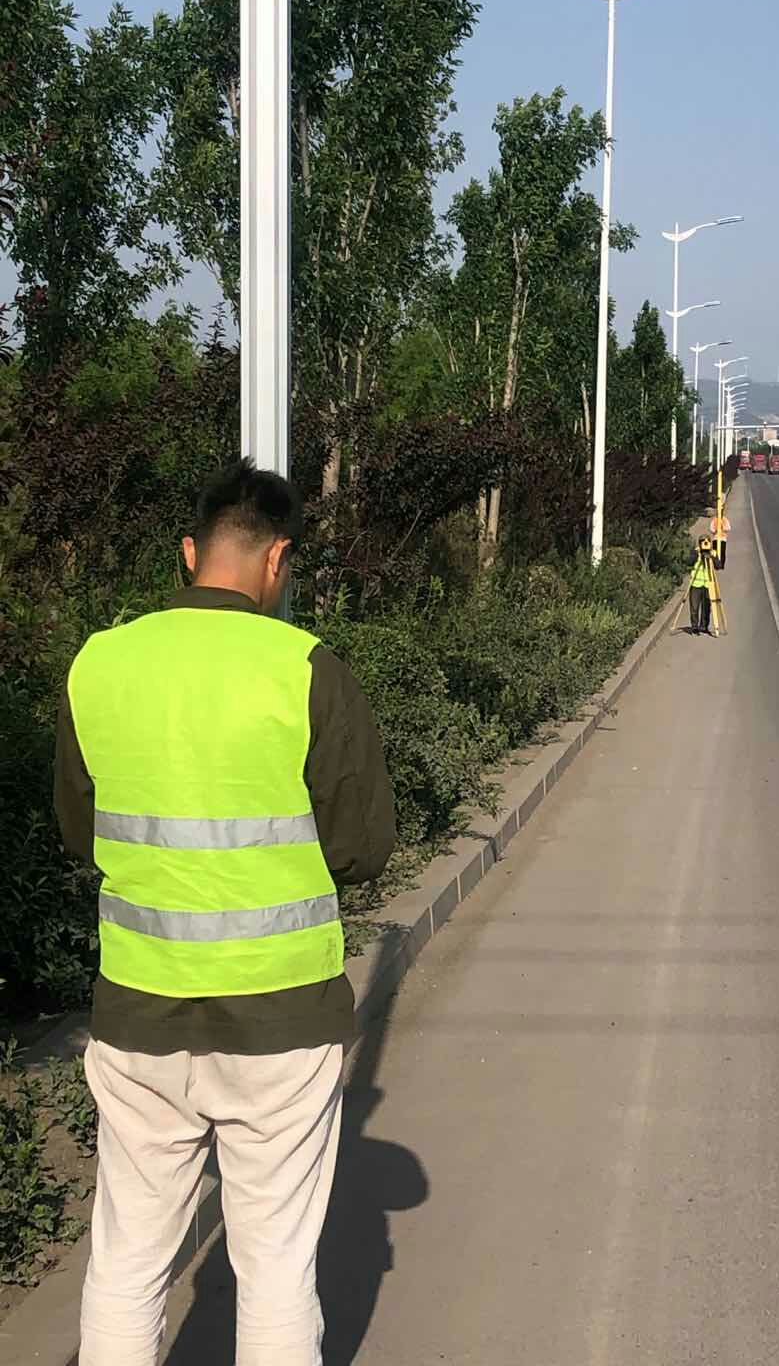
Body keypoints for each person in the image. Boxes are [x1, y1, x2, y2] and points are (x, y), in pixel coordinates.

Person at [54, 459, 397, 1366]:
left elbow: (83, 830)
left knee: (128, 1258)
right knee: (276, 1267)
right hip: (281, 1019)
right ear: (277, 560)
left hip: (137, 1010)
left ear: (187, 551)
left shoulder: (101, 663)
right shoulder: (306, 668)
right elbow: (362, 846)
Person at [687, 535, 721, 635]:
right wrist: (697, 555)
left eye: (707, 542)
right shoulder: (695, 552)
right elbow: (688, 562)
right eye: (703, 542)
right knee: (694, 607)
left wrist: (712, 557)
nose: (705, 543)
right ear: (700, 543)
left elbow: (718, 566)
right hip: (696, 584)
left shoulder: (713, 552)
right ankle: (695, 627)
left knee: (706, 607)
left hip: (708, 584)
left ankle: (704, 626)